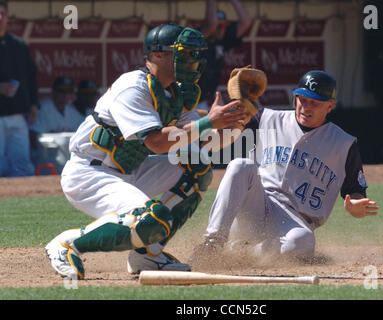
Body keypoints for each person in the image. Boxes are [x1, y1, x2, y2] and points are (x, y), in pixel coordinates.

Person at [44, 23, 247, 280]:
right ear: (159, 54)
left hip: (130, 169)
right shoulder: (132, 86)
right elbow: (157, 143)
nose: (192, 60)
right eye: (183, 53)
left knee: (197, 165)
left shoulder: (174, 92)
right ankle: (68, 243)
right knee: (152, 219)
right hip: (89, 173)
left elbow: (195, 141)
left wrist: (234, 124)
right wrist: (210, 121)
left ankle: (147, 255)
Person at [190, 70, 379, 264]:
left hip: (294, 222)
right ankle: (212, 244)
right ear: (295, 97)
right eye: (303, 100)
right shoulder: (267, 118)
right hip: (258, 204)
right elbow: (221, 140)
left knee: (302, 241)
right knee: (240, 165)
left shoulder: (343, 143)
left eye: (315, 102)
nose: (306, 107)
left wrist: (355, 205)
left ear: (330, 106)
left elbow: (355, 191)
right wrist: (211, 124)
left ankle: (239, 254)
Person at [195, 0, 253, 117]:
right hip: (193, 100)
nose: (222, 29)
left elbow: (246, 22)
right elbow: (212, 24)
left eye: (224, 26)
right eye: (219, 26)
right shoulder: (199, 38)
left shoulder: (223, 39)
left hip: (208, 99)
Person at [0, 0, 38, 177]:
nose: (0, 18)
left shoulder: (18, 45)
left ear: (8, 18)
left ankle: (25, 197)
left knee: (22, 164)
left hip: (17, 113)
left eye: (3, 14)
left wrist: (34, 105)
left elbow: (31, 77)